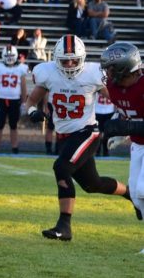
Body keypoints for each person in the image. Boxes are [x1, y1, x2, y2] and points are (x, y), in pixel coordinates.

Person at [24, 35, 132, 241]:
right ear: (56, 58)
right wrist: (32, 113)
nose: (70, 64)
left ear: (82, 58)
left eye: (74, 59)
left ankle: (64, 226)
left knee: (61, 167)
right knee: (93, 184)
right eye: (65, 60)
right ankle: (130, 194)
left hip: (87, 132)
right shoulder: (47, 74)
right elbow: (30, 101)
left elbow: (119, 99)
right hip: (65, 136)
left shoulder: (93, 74)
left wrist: (125, 120)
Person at [100, 42, 144, 251]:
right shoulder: (113, 86)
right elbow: (126, 111)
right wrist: (123, 130)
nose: (108, 72)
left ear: (125, 67)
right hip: (138, 143)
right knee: (135, 195)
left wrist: (128, 126)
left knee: (142, 190)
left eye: (111, 67)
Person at [0, 45, 28, 154]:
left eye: (11, 55)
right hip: (1, 100)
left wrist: (24, 103)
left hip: (15, 101)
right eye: (7, 55)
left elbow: (23, 87)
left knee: (14, 125)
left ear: (16, 56)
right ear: (3, 56)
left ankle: (15, 148)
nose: (9, 57)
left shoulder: (21, 68)